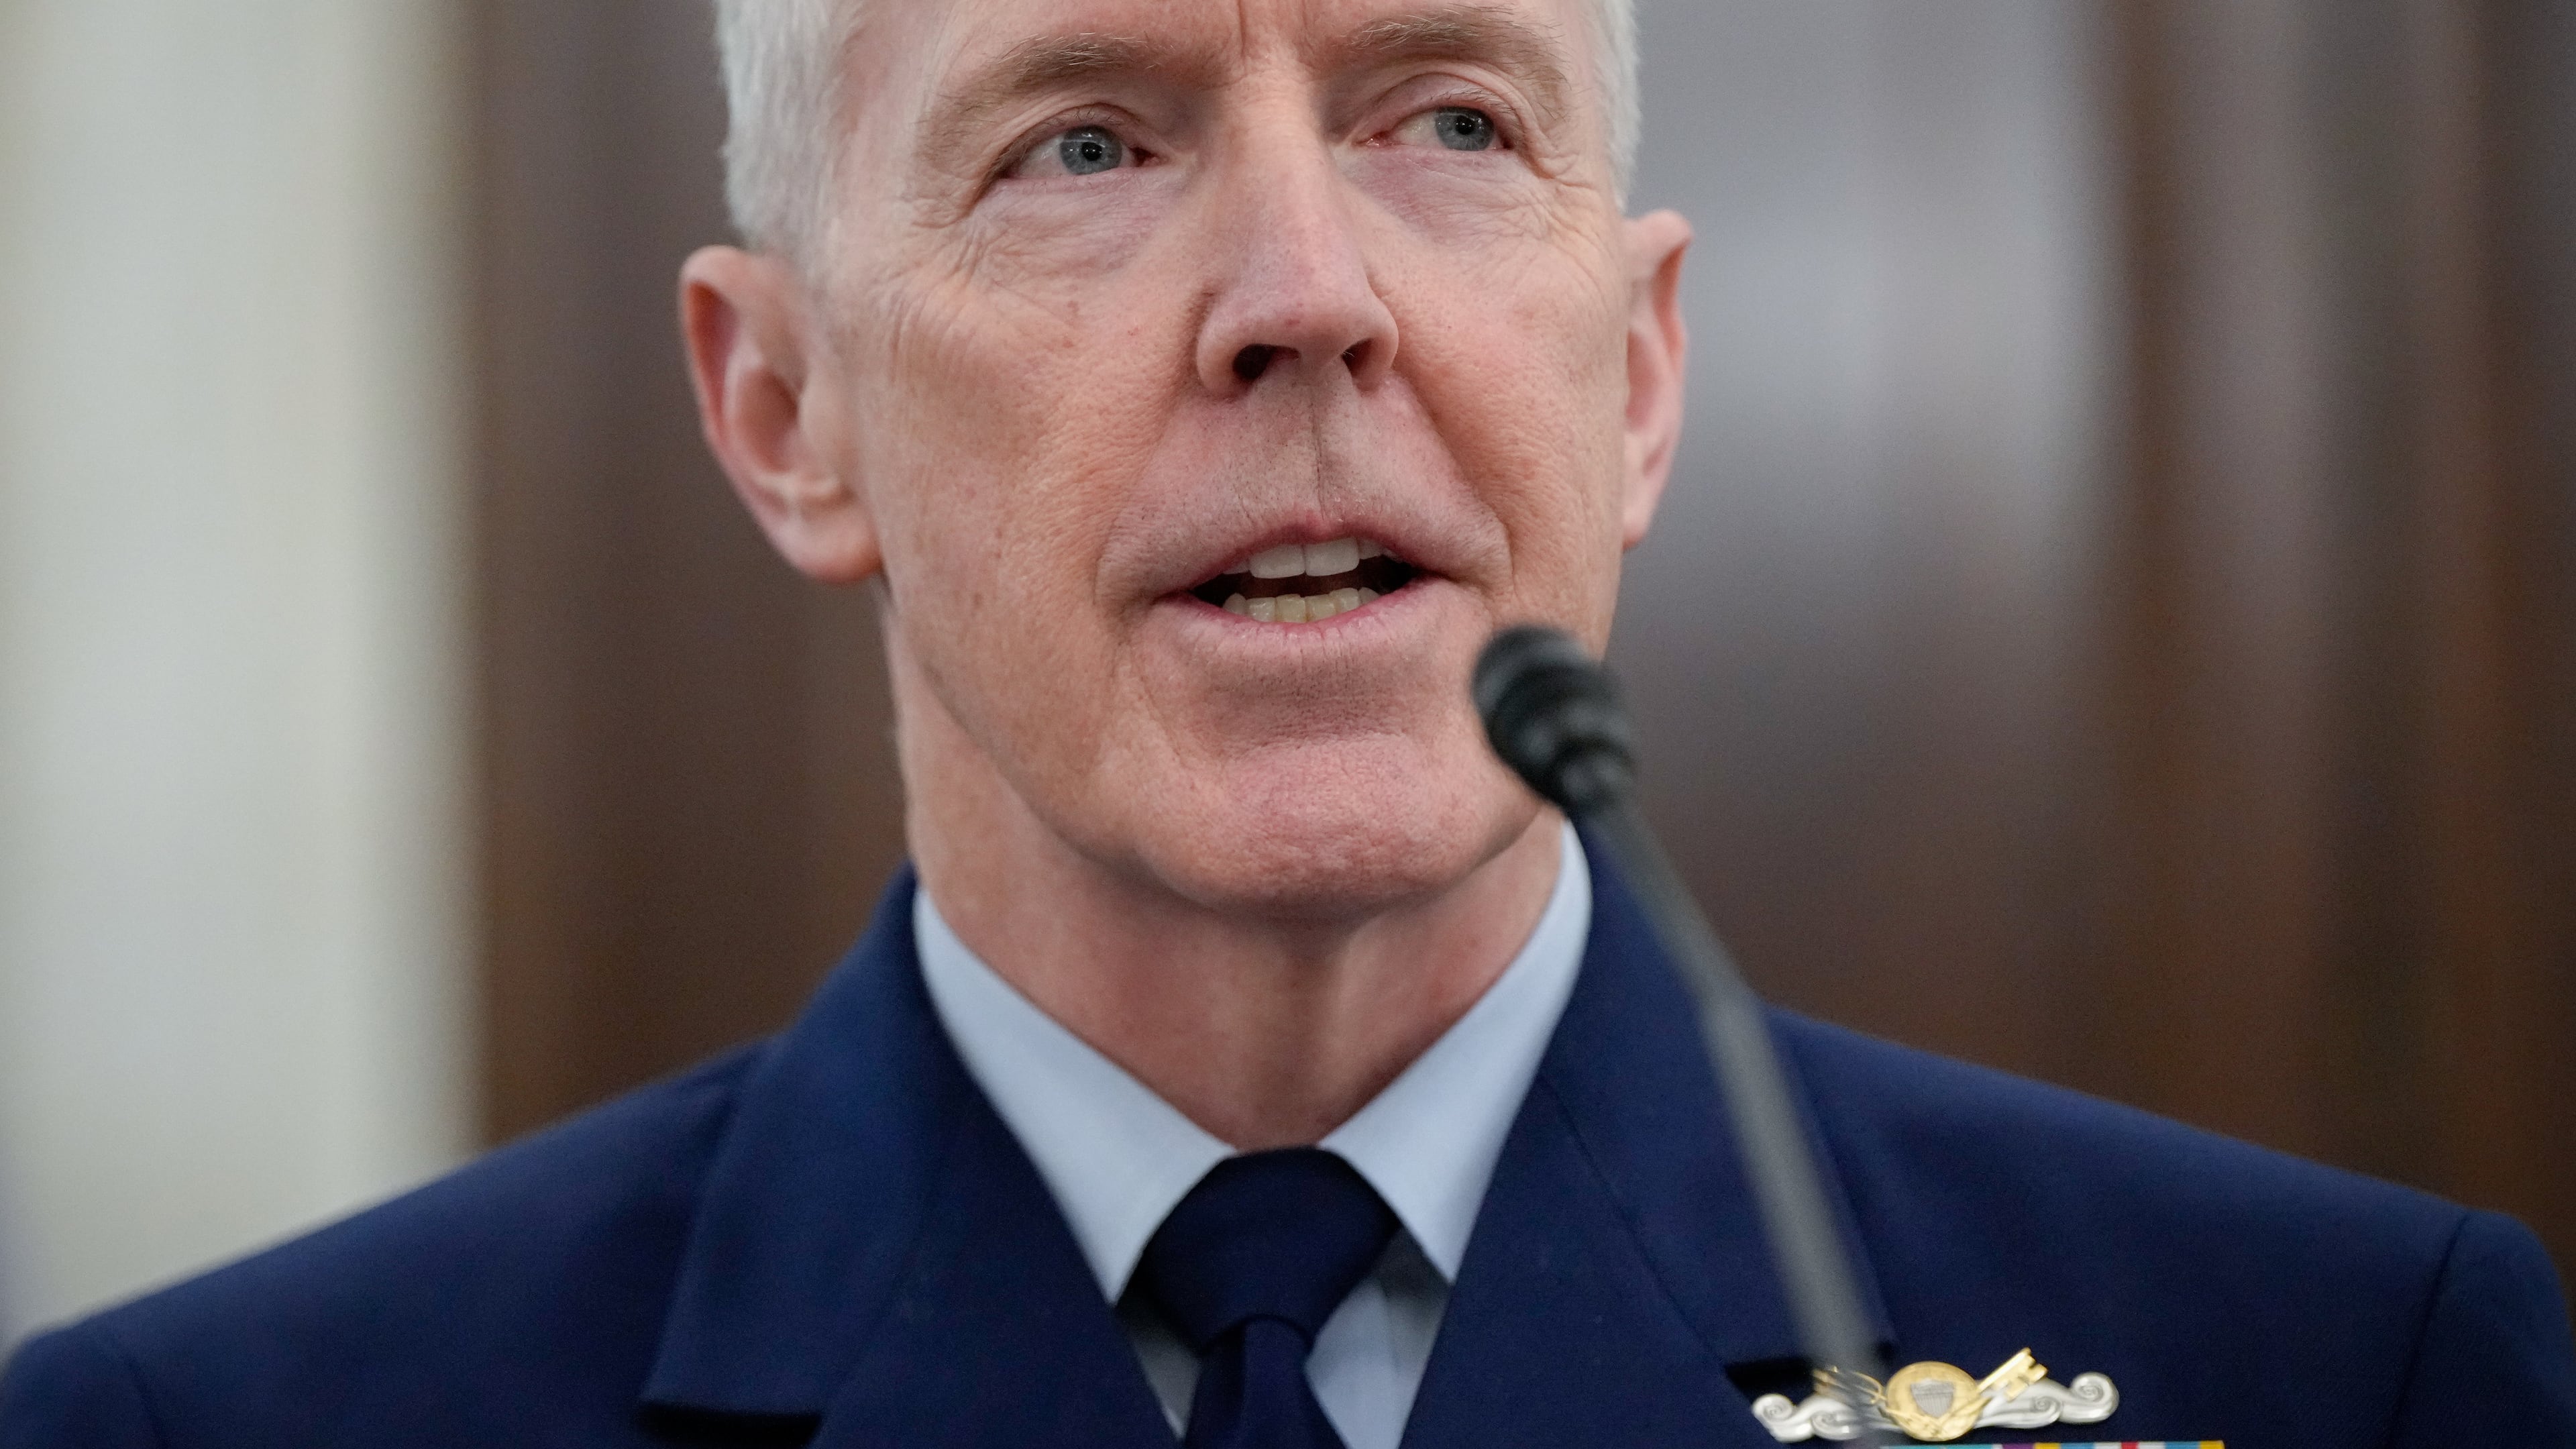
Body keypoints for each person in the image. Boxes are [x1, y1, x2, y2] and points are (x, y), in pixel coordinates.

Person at [5, 0, 2572, 1444]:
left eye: (1448, 119)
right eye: (1087, 142)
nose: (1305, 293)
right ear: (787, 409)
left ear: (1645, 372)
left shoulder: (2358, 1376)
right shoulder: (207, 1437)